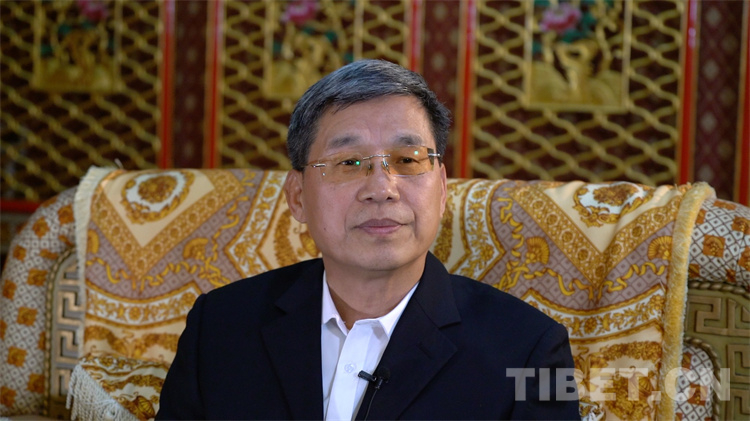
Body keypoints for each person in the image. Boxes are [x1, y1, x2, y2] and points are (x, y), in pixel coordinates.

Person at [157, 59, 580, 420]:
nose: (381, 188)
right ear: (298, 197)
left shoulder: (531, 350)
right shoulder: (219, 327)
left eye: (407, 160)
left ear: (442, 189)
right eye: (349, 162)